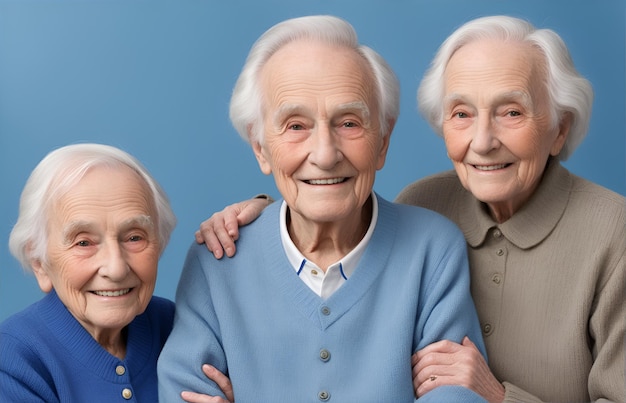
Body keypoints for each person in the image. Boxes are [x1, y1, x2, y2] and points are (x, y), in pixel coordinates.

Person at [195, 15, 626, 403]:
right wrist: (262, 214)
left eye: (511, 112)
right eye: (461, 114)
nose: (482, 141)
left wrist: (498, 398)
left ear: (559, 129)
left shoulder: (613, 233)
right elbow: (341, 215)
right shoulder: (426, 202)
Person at [158, 15, 487, 402]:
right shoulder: (216, 260)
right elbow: (185, 391)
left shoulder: (433, 248)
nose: (325, 155)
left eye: (348, 123)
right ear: (260, 147)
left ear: (383, 140)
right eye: (296, 126)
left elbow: (452, 394)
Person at [0, 143, 225, 403]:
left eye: (134, 237)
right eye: (83, 242)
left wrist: (260, 210)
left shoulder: (181, 326)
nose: (116, 268)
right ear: (39, 261)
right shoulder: (13, 358)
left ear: (160, 243)